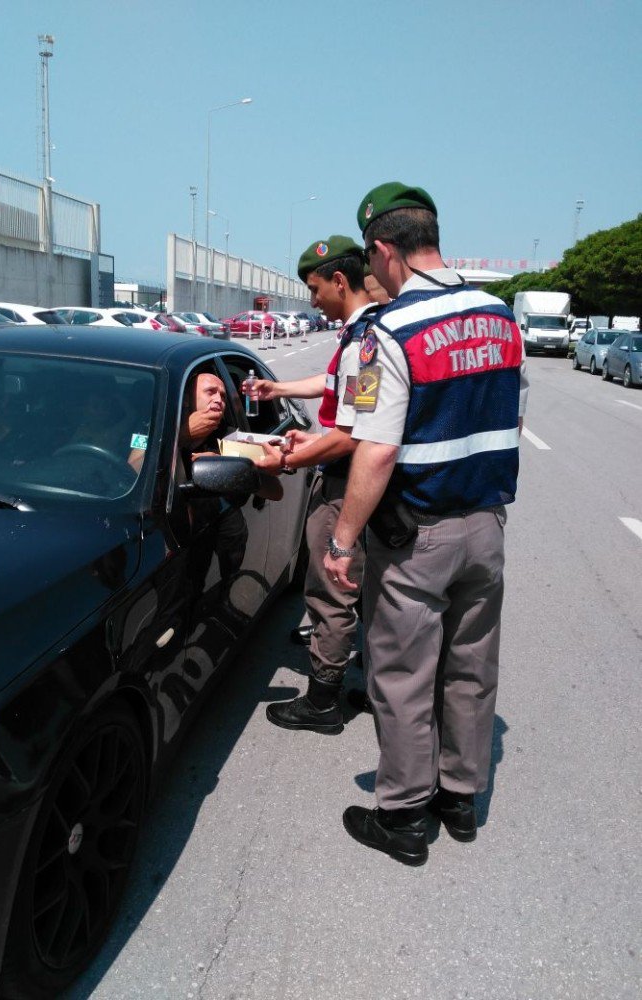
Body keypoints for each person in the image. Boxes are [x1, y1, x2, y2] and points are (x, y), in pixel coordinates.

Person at [325, 182, 529, 866]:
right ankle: (460, 800)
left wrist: (343, 539)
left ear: (384, 250)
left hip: (420, 535)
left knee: (404, 673)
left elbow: (375, 449)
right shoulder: (502, 318)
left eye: (370, 259)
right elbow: (511, 419)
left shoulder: (390, 332)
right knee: (471, 667)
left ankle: (405, 815)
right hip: (487, 527)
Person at [248, 235, 380, 735]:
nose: (311, 299)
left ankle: (322, 700)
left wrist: (290, 458)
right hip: (355, 474)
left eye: (314, 287)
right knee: (366, 593)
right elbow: (338, 392)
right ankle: (376, 685)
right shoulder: (361, 335)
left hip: (347, 482)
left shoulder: (366, 339)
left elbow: (352, 437)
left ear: (339, 281)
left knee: (331, 592)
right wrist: (278, 388)